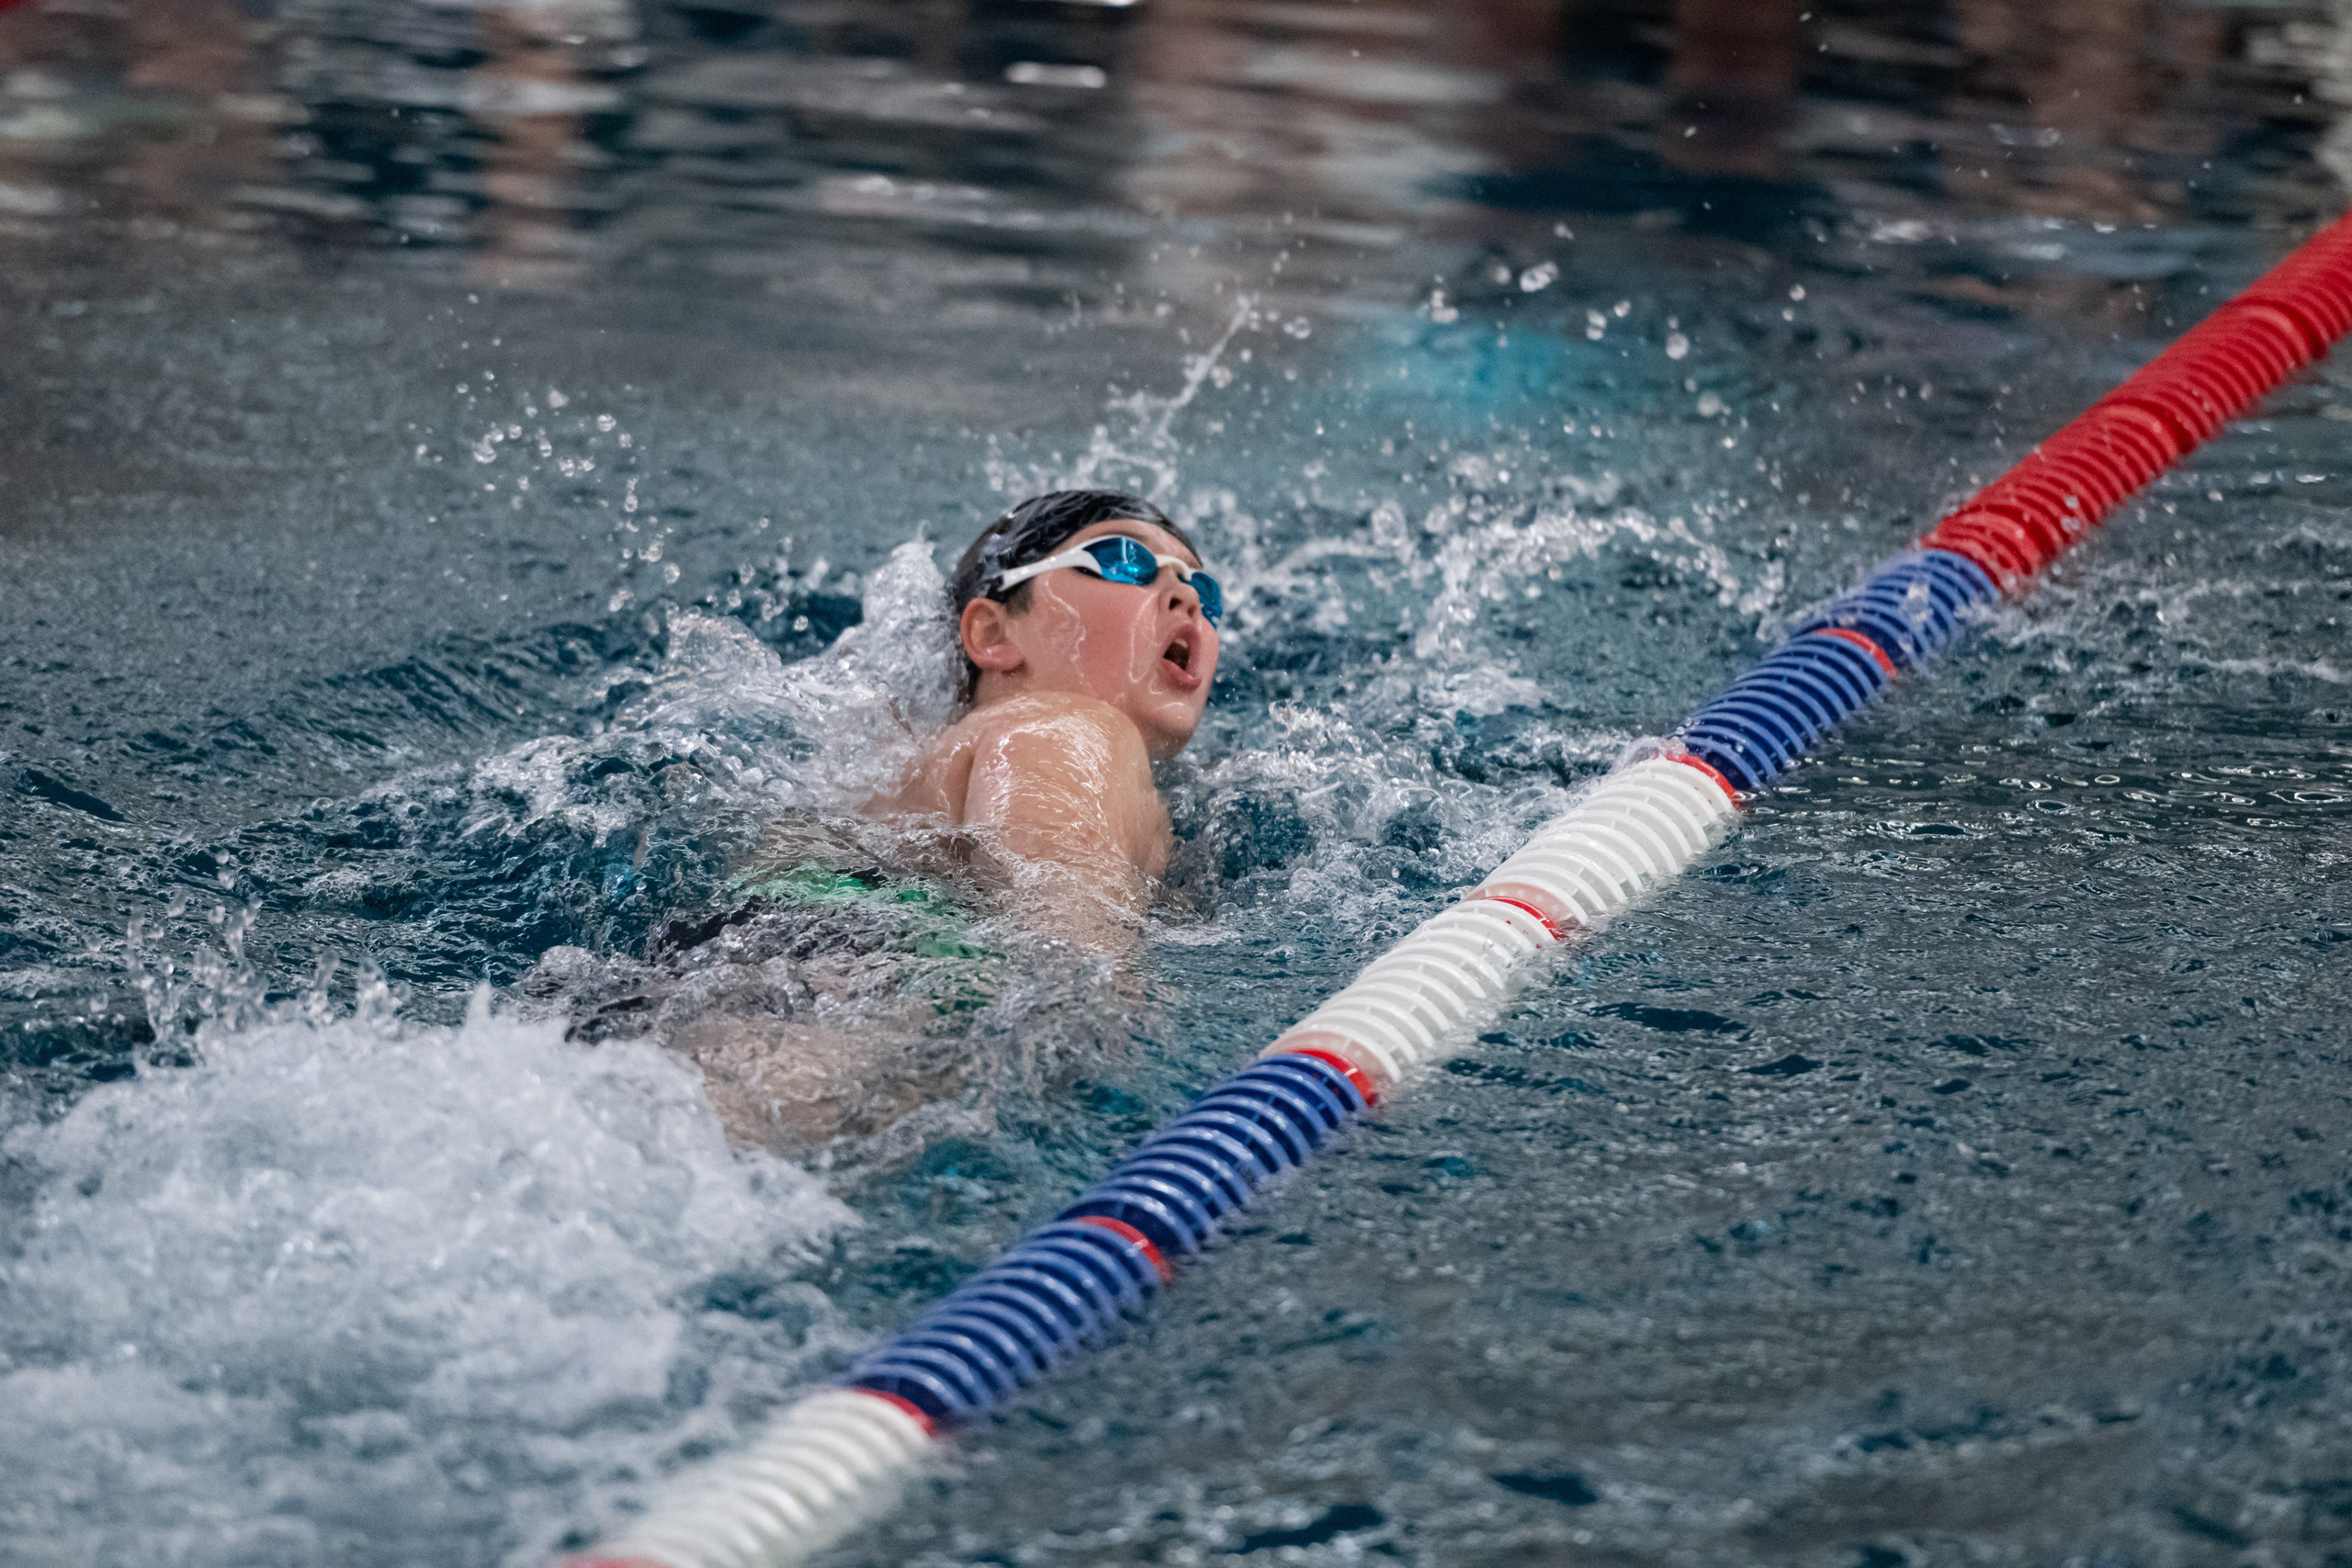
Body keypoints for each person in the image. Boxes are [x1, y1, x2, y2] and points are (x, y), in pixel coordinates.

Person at [865, 489, 1224, 935]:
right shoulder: (1068, 724)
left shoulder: (910, 776)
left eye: (1206, 593)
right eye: (1124, 560)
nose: (1187, 597)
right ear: (993, 633)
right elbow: (1060, 956)